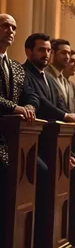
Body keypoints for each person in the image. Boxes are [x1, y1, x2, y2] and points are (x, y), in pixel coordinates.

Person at [0, 14, 39, 168]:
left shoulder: (16, 67)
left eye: (14, 28)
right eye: (5, 26)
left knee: (37, 169)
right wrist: (14, 108)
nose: (10, 30)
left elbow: (31, 95)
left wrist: (30, 107)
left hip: (12, 137)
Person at [23, 33, 75, 124]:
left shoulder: (49, 77)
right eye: (41, 50)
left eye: (48, 50)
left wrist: (72, 116)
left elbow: (60, 103)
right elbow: (40, 100)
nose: (46, 54)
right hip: (32, 129)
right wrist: (65, 116)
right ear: (29, 52)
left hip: (53, 131)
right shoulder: (22, 72)